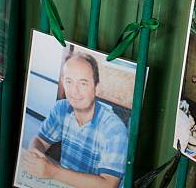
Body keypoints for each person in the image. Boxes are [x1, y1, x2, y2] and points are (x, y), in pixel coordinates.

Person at [21, 53, 128, 187]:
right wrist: (35, 155)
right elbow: (40, 140)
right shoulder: (61, 108)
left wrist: (53, 172)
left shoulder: (115, 129)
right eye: (69, 81)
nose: (74, 91)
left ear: (97, 88)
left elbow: (109, 184)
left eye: (83, 83)